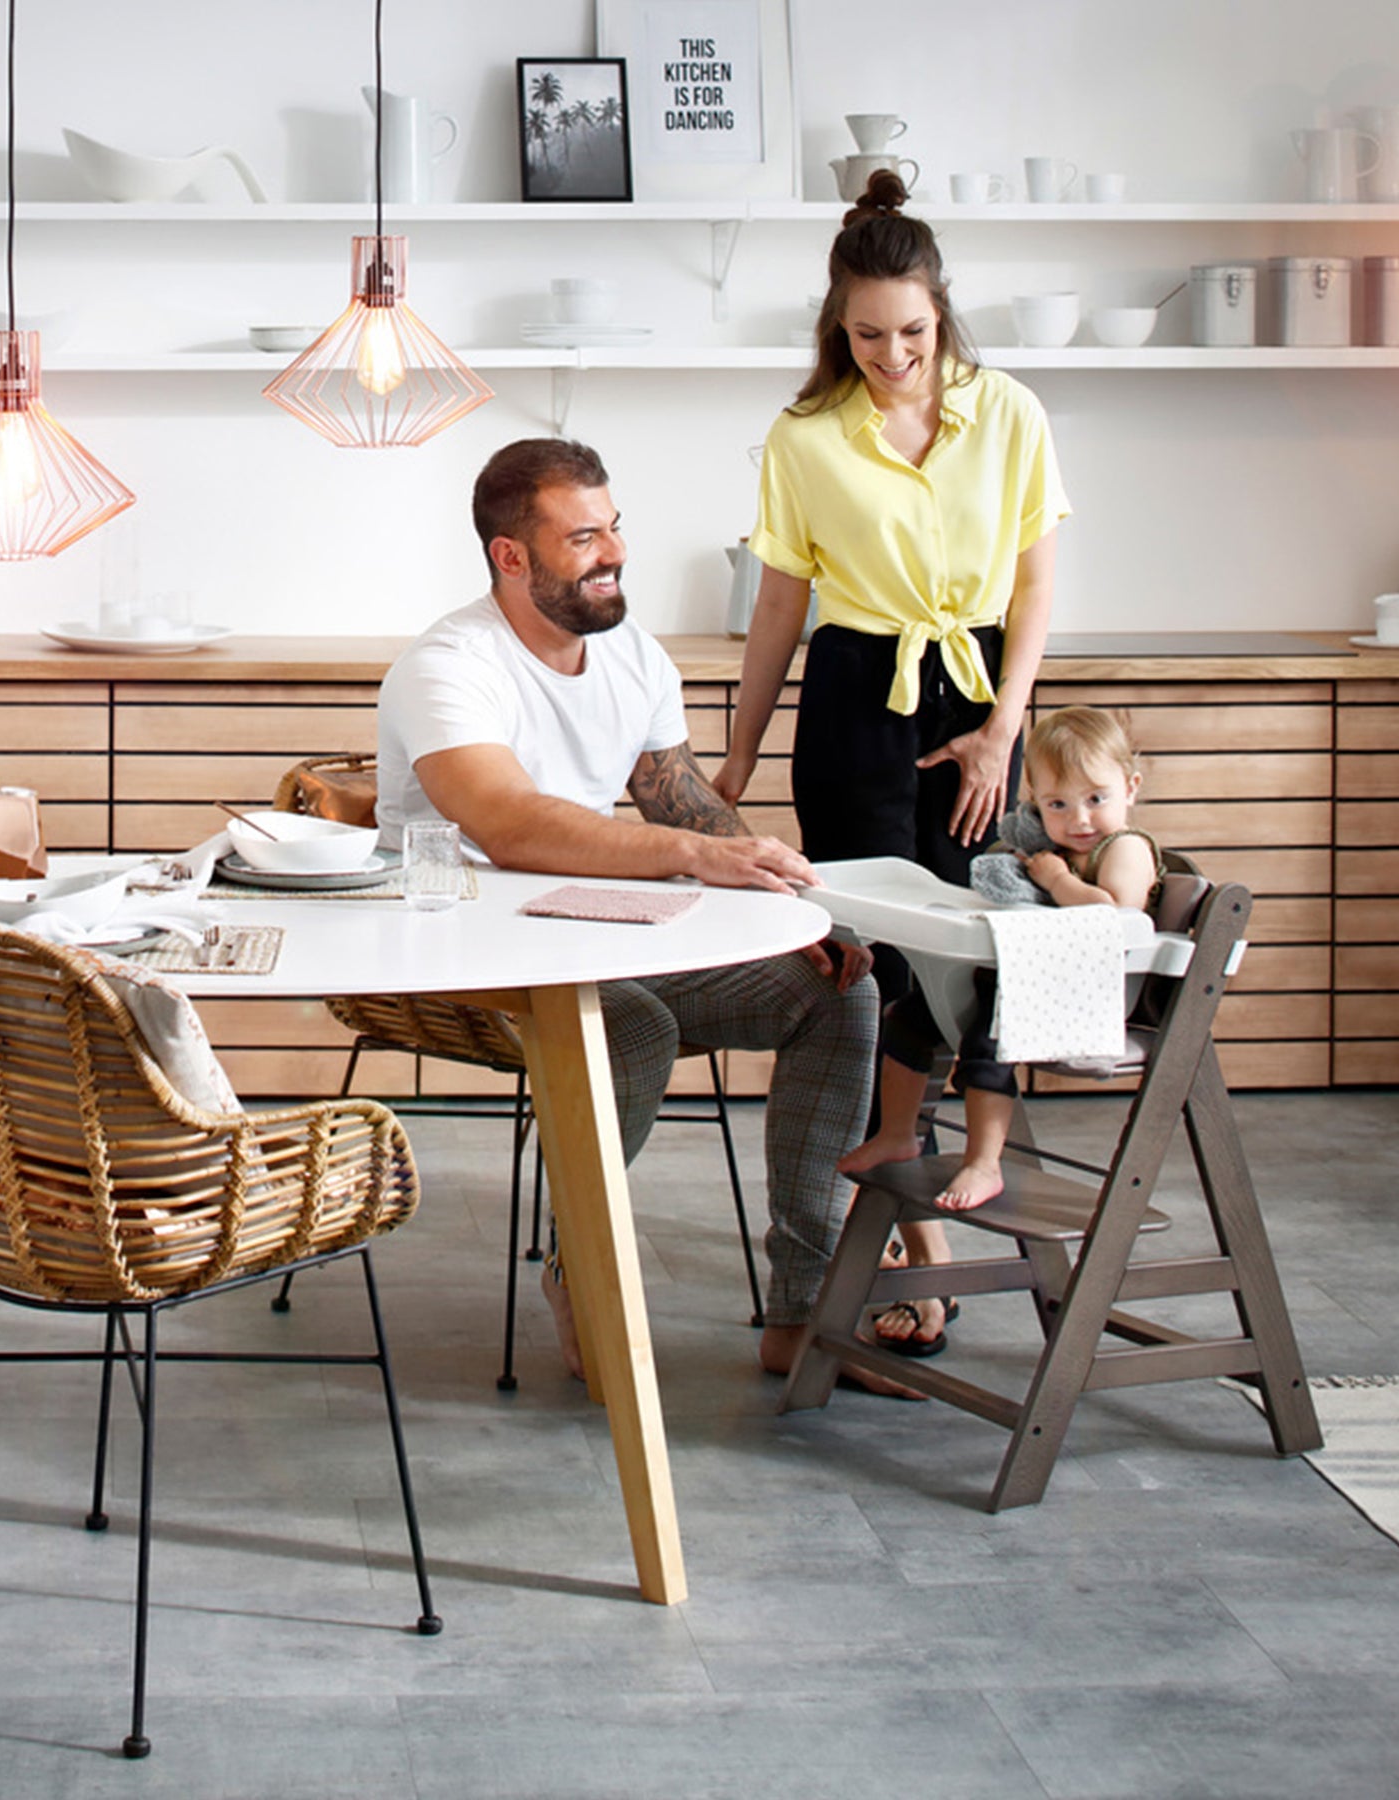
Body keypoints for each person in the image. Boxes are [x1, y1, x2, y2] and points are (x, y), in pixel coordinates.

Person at [375, 437, 888, 1386]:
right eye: (583, 538)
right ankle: (580, 1268)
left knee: (837, 991)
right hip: (459, 953)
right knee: (634, 1026)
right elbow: (510, 824)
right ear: (511, 556)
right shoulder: (446, 666)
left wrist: (793, 913)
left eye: (614, 528)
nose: (613, 553)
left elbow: (679, 801)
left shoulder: (634, 655)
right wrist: (696, 856)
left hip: (598, 932)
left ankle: (807, 1312)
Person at [712, 167, 1071, 1354]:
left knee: (972, 946)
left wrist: (1006, 726)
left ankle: (960, 1169)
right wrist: (739, 754)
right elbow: (780, 605)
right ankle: (918, 1246)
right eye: (868, 336)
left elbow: (1035, 583)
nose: (893, 356)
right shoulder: (805, 435)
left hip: (977, 692)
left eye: (911, 331)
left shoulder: (1008, 412)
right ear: (838, 324)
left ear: (941, 310)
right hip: (857, 699)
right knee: (874, 960)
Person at [839, 707, 1166, 1351]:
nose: (1079, 819)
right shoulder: (1051, 847)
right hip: (1028, 974)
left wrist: (1057, 879)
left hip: (1087, 995)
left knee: (986, 1043)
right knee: (910, 1019)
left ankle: (984, 1161)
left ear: (1131, 788)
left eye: (1096, 799)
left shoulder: (1123, 849)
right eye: (1057, 805)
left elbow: (1115, 917)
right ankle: (899, 1135)